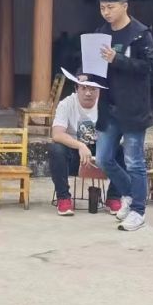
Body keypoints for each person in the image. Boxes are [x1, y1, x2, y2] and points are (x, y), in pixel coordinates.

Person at [92, 0, 153, 232]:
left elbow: (150, 67)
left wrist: (117, 59)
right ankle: (130, 193)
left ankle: (138, 210)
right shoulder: (101, 33)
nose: (106, 13)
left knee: (134, 161)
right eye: (102, 8)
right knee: (103, 158)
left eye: (110, 7)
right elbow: (94, 63)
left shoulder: (140, 34)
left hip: (133, 108)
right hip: (109, 106)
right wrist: (85, 73)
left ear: (124, 6)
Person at [48, 76, 116, 216]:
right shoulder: (66, 104)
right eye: (84, 88)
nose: (88, 93)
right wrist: (80, 146)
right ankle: (63, 198)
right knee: (56, 149)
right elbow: (57, 134)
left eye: (93, 89)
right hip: (73, 155)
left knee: (123, 149)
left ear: (99, 90)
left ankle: (114, 197)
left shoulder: (107, 106)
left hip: (100, 153)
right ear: (76, 88)